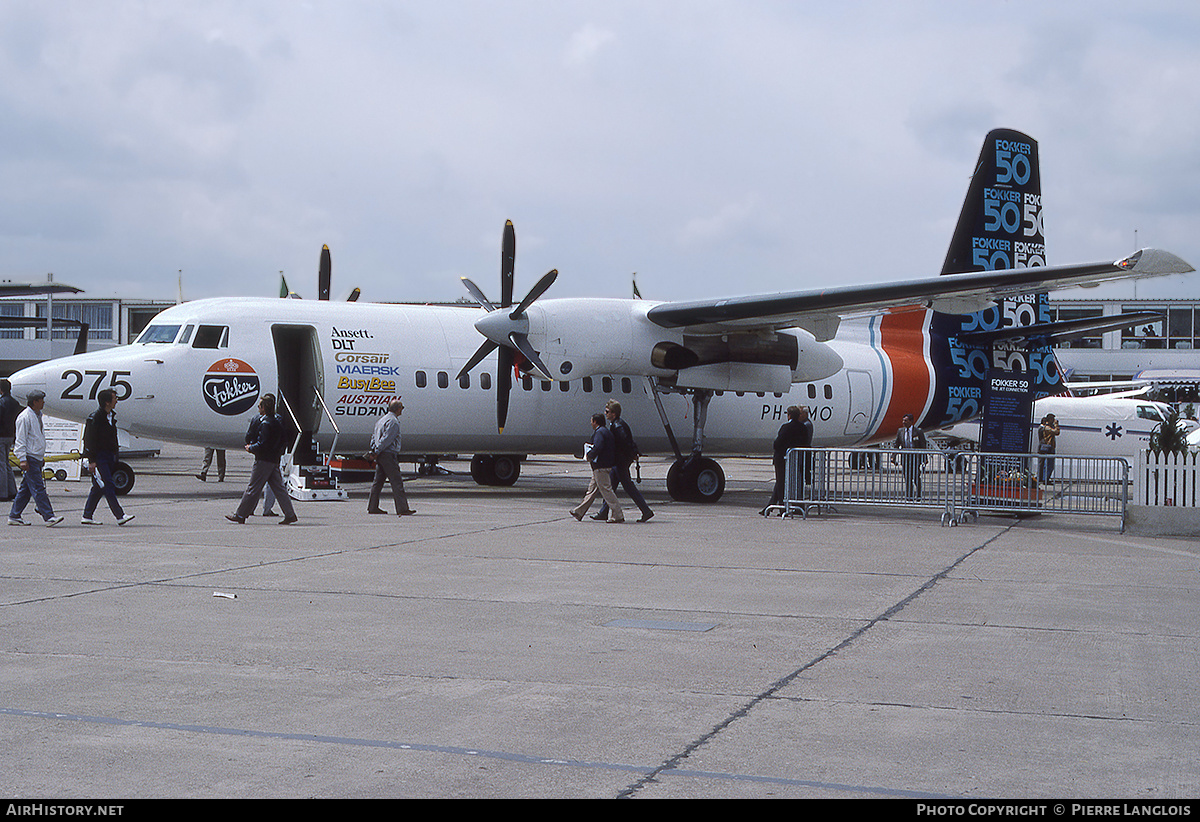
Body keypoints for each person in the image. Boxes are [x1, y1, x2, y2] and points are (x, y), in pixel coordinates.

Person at [226, 394, 297, 524]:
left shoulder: (265, 423)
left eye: (260, 406)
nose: (258, 408)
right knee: (279, 488)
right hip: (274, 459)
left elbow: (263, 444)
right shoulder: (277, 421)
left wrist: (250, 448)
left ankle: (240, 514)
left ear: (264, 408)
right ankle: (290, 514)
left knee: (253, 488)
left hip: (264, 460)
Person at [7, 389, 63, 526]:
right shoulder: (25, 417)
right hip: (30, 457)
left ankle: (14, 515)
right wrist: (22, 459)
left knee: (26, 490)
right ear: (35, 402)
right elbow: (21, 440)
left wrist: (40, 456)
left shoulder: (38, 415)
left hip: (36, 457)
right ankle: (48, 516)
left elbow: (37, 437)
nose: (43, 402)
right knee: (38, 488)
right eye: (41, 400)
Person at [593, 400, 653, 523]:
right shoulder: (616, 424)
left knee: (628, 487)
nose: (605, 414)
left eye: (607, 412)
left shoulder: (618, 426)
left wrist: (630, 454)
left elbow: (625, 442)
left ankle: (646, 511)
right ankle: (604, 512)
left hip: (620, 462)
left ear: (614, 414)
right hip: (619, 461)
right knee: (611, 486)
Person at [80, 389, 135, 526]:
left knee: (98, 487)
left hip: (109, 456)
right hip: (99, 457)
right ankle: (119, 515)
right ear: (107, 402)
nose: (117, 400)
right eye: (114, 398)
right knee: (109, 484)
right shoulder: (94, 418)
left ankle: (87, 515)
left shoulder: (111, 417)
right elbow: (88, 440)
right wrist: (92, 461)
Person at [571, 412, 624, 523]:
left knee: (606, 491)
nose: (591, 423)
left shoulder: (600, 433)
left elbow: (598, 446)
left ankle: (618, 514)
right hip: (600, 467)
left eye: (591, 421)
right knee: (591, 491)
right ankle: (579, 512)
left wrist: (590, 456)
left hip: (601, 467)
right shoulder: (606, 432)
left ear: (595, 422)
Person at [367, 399, 414, 516]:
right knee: (397, 482)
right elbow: (387, 439)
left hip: (381, 454)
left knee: (377, 482)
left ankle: (372, 506)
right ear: (398, 409)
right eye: (402, 408)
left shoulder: (381, 420)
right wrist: (378, 450)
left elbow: (374, 438)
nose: (402, 410)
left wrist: (375, 450)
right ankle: (402, 508)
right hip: (388, 454)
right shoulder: (393, 422)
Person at [762, 406, 812, 515]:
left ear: (789, 415)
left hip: (782, 458)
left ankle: (781, 508)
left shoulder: (786, 427)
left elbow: (777, 444)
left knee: (780, 482)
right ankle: (770, 506)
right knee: (787, 483)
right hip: (795, 459)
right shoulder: (803, 428)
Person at [893, 413, 928, 499]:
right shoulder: (900, 431)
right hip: (905, 458)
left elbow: (923, 445)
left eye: (906, 420)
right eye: (903, 420)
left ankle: (918, 495)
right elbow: (896, 444)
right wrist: (893, 456)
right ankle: (909, 496)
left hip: (915, 458)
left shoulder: (918, 431)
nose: (903, 422)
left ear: (911, 421)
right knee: (907, 478)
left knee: (916, 477)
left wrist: (924, 459)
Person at [0, 379, 20, 502]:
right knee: (6, 463)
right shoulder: (15, 403)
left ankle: (3, 493)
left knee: (1, 464)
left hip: (1, 436)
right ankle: (12, 490)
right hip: (10, 435)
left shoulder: (1, 403)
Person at [1037, 413, 1060, 485]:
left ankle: (1045, 478)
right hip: (1048, 447)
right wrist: (1056, 425)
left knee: (1049, 464)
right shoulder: (1047, 428)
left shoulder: (1049, 427)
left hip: (1051, 446)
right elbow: (1057, 432)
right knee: (1048, 464)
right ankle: (1045, 478)